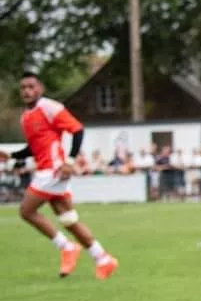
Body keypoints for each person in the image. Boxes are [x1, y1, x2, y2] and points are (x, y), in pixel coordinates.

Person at [1, 73, 118, 279]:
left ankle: (66, 246)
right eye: (23, 88)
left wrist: (70, 162)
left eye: (31, 87)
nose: (27, 91)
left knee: (26, 211)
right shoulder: (26, 116)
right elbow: (34, 148)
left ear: (40, 88)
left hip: (53, 171)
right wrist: (10, 155)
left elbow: (77, 129)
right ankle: (103, 258)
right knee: (68, 219)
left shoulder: (49, 107)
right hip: (48, 171)